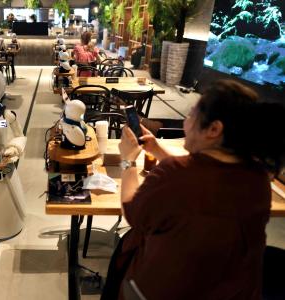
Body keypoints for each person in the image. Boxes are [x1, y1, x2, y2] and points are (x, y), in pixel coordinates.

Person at [101, 80, 285, 300]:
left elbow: (133, 213)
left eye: (191, 115)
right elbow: (205, 186)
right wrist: (159, 151)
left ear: (214, 129)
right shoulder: (259, 180)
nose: (186, 124)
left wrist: (127, 161)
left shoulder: (174, 174)